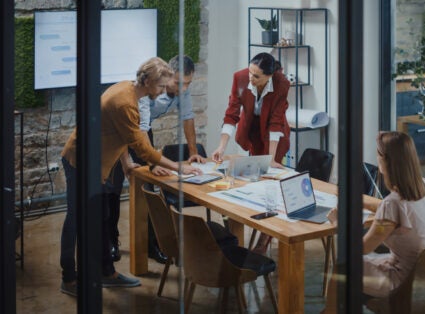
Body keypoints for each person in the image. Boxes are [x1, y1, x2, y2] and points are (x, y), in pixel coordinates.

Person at [59, 57, 203, 296]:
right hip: (81, 161)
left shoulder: (128, 89)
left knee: (101, 216)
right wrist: (180, 167)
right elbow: (141, 146)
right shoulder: (126, 102)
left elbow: (120, 137)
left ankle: (106, 273)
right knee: (76, 220)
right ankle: (69, 279)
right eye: (159, 86)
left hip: (99, 162)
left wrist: (126, 163)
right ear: (147, 81)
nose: (161, 92)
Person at [323, 131, 425, 310]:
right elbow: (404, 215)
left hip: (404, 282)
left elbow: (361, 248)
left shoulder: (392, 203)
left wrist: (336, 222)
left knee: (342, 265)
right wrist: (360, 200)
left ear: (385, 161)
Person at [106, 55, 202, 264]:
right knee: (112, 189)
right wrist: (152, 163)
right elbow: (137, 135)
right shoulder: (145, 92)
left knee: (149, 189)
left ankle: (152, 244)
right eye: (178, 83)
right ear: (167, 77)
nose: (183, 88)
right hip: (126, 130)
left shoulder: (182, 90)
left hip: (143, 130)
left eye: (188, 83)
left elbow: (187, 118)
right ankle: (110, 242)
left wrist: (193, 152)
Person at [210, 52, 290, 254]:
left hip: (274, 137)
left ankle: (264, 241)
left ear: (270, 76)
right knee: (252, 180)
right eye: (250, 72)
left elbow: (276, 120)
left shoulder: (281, 84)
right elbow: (231, 114)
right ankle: (239, 234)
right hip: (253, 132)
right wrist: (221, 147)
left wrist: (272, 159)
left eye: (257, 77)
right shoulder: (240, 77)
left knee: (272, 184)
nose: (251, 79)